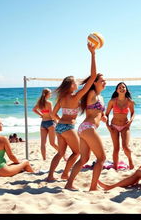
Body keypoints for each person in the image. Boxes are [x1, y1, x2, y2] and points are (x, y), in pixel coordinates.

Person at [47, 43, 97, 181]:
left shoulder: (62, 98)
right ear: (71, 85)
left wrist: (60, 121)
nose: (78, 84)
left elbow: (53, 114)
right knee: (77, 153)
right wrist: (93, 54)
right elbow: (93, 77)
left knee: (60, 153)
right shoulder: (76, 96)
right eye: (76, 82)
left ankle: (50, 176)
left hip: (59, 127)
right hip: (68, 127)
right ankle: (65, 174)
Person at [65, 73, 107, 191]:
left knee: (84, 159)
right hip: (88, 127)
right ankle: (93, 187)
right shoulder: (91, 93)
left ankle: (69, 184)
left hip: (85, 128)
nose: (105, 83)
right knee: (101, 158)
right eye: (102, 81)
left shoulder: (101, 97)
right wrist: (93, 55)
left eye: (105, 81)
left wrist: (103, 117)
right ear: (95, 82)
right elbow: (92, 77)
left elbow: (98, 112)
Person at [105, 82, 135, 170]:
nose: (122, 89)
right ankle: (115, 167)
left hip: (125, 126)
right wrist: (107, 125)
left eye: (123, 87)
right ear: (117, 90)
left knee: (125, 147)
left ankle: (130, 161)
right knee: (116, 148)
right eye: (120, 87)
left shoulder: (130, 101)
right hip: (114, 126)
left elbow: (133, 113)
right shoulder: (112, 101)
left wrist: (130, 121)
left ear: (126, 89)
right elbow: (106, 114)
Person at [33, 88, 58, 160]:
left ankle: (44, 159)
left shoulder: (40, 103)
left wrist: (41, 114)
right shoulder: (49, 103)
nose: (51, 94)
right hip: (50, 122)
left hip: (43, 123)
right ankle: (63, 154)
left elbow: (34, 109)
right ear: (47, 94)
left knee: (43, 143)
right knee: (52, 143)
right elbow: (51, 114)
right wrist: (56, 121)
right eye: (50, 93)